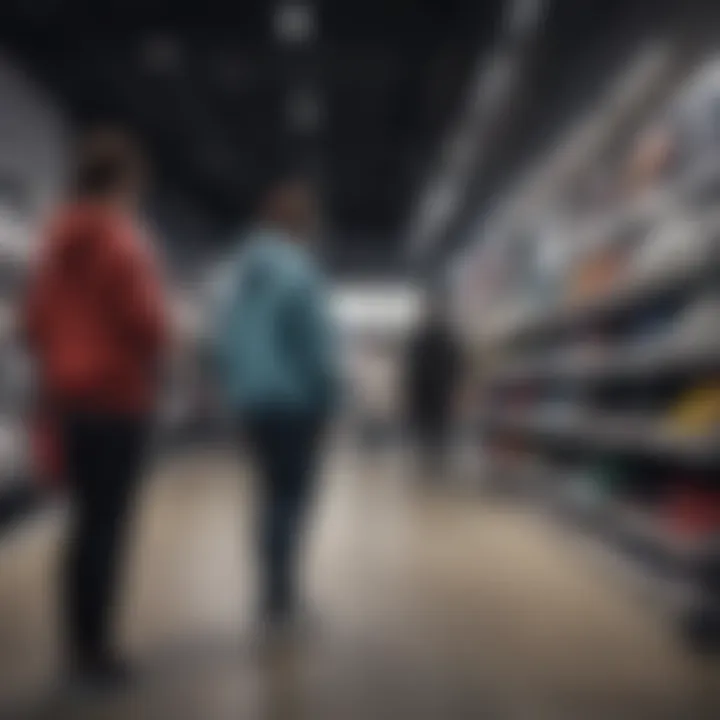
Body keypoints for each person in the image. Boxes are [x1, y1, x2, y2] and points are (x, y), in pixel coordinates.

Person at [23, 129, 169, 684]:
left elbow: (31, 325)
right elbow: (147, 326)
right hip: (116, 399)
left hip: (65, 401)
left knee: (81, 527)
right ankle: (98, 654)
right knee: (108, 529)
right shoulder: (123, 240)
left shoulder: (52, 243)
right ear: (125, 183)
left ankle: (75, 647)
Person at [213, 174, 338, 624]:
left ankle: (271, 590)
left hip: (252, 402)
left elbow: (221, 340)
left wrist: (235, 390)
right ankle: (281, 596)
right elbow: (316, 346)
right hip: (296, 402)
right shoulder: (299, 269)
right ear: (302, 224)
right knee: (293, 497)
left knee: (268, 495)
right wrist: (330, 400)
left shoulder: (238, 272)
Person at [404, 294, 464, 481]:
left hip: (434, 392)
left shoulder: (426, 339)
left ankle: (432, 467)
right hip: (433, 393)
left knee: (434, 431)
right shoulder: (444, 338)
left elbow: (457, 367)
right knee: (434, 431)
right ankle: (433, 467)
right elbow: (411, 369)